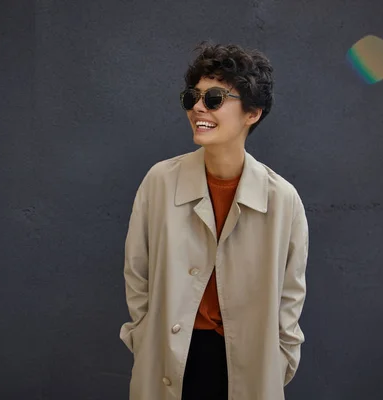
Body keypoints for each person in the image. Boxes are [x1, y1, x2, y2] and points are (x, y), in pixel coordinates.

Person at [120, 41, 309, 400]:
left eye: (215, 98)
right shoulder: (160, 182)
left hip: (249, 365)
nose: (197, 107)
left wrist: (281, 358)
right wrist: (144, 337)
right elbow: (136, 272)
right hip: (169, 359)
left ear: (252, 113)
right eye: (194, 96)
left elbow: (290, 295)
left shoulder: (282, 200)